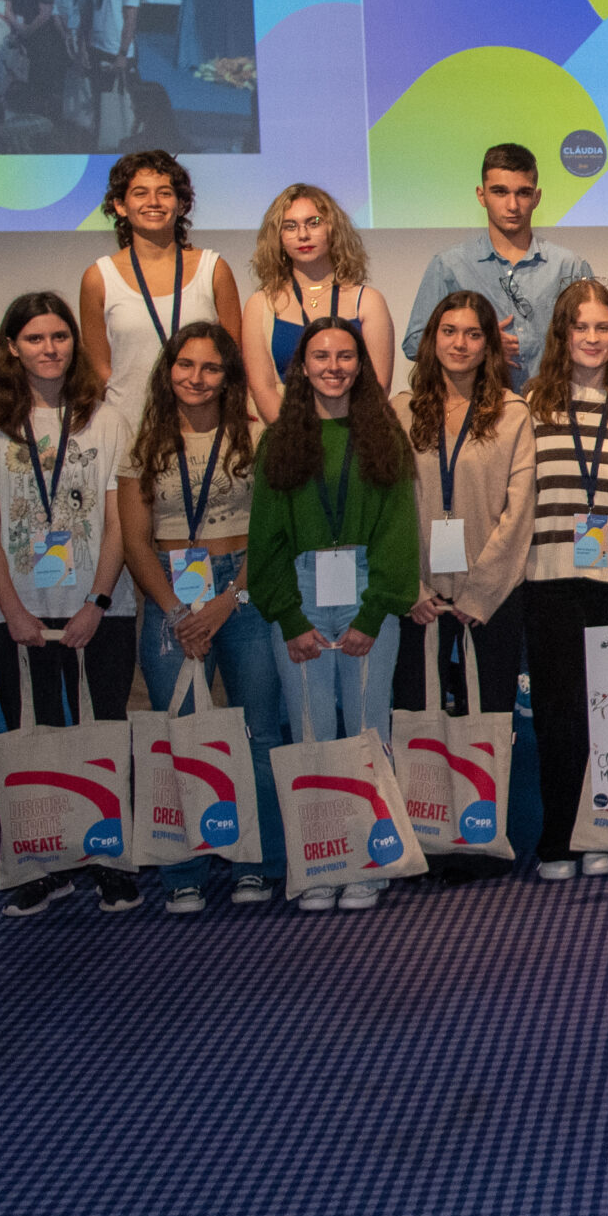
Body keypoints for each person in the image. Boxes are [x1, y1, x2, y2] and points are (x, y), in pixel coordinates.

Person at [0, 293, 141, 915]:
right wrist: (13, 609)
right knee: (34, 739)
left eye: (61, 336)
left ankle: (108, 859)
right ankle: (44, 866)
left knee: (104, 732)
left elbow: (121, 523)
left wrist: (97, 599)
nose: (50, 349)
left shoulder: (106, 421)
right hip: (17, 614)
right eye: (35, 338)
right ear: (12, 347)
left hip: (98, 610)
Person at [116, 321, 285, 913]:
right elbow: (135, 542)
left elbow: (272, 533)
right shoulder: (143, 443)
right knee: (176, 733)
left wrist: (224, 602)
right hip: (169, 597)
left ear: (228, 376)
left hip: (243, 593)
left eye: (211, 367)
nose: (196, 377)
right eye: (185, 365)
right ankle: (180, 868)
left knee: (260, 733)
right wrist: (174, 609)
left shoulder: (259, 439)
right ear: (169, 371)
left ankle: (259, 863)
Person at [250, 318, 419, 909]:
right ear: (301, 366)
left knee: (370, 732)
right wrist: (288, 619)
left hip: (369, 596)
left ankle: (369, 859)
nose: (333, 367)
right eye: (320, 356)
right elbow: (265, 538)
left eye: (345, 356)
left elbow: (400, 533)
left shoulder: (385, 435)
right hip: (299, 598)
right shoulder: (278, 440)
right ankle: (320, 860)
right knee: (311, 733)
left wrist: (375, 614)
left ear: (361, 365)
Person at [390, 292, 537, 880]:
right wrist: (412, 586)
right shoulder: (400, 412)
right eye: (448, 331)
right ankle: (426, 837)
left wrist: (478, 594)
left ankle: (480, 837)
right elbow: (390, 507)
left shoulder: (512, 412)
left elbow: (518, 510)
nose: (459, 343)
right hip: (418, 599)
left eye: (473, 334)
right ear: (431, 339)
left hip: (491, 598)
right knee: (422, 717)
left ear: (489, 344)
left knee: (486, 719)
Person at [519, 281, 608, 883]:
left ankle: (606, 830)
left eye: (603, 328)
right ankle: (557, 837)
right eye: (581, 327)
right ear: (562, 334)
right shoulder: (532, 405)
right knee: (557, 711)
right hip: (548, 578)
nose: (592, 339)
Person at [404, 144, 596, 389]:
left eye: (523, 193)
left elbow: (599, 339)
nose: (513, 205)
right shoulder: (449, 266)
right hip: (476, 408)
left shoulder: (569, 267)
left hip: (553, 410)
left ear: (536, 197)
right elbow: (413, 343)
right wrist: (480, 345)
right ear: (481, 195)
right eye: (500, 192)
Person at [78, 151, 242, 429]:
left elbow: (232, 356)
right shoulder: (99, 278)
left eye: (165, 193)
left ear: (181, 205)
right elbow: (100, 369)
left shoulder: (214, 270)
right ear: (120, 205)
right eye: (140, 193)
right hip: (129, 424)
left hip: (201, 425)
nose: (153, 202)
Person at [242, 183, 396, 421]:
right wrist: (295, 439)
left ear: (333, 229)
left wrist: (339, 438)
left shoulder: (367, 301)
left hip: (353, 435)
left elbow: (378, 386)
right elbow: (263, 389)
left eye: (314, 223)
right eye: (290, 226)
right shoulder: (260, 304)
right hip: (286, 437)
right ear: (278, 237)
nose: (303, 234)